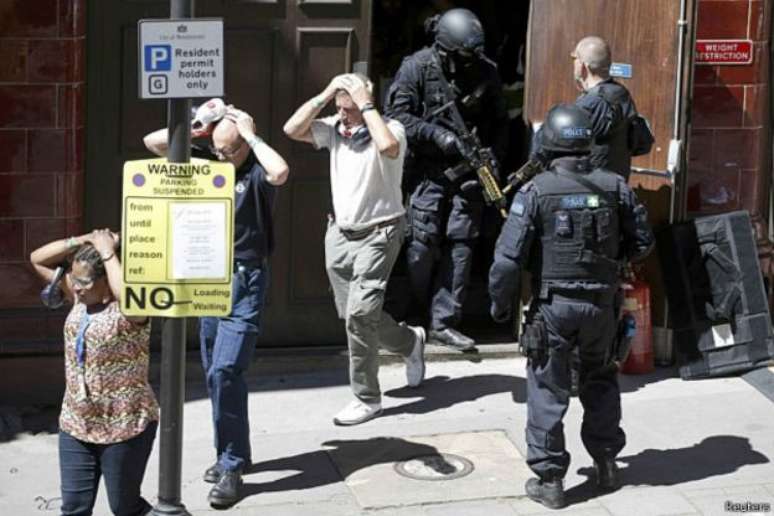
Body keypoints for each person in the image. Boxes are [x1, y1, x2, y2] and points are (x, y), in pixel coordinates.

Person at [488, 104, 654, 509]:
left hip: (554, 308)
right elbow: (644, 242)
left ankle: (550, 482)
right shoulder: (615, 186)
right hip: (601, 305)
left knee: (548, 388)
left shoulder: (535, 191)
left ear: (548, 143)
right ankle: (607, 464)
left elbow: (507, 261)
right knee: (600, 381)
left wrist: (498, 306)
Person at [143, 103, 289, 507]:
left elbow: (280, 172)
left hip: (246, 279)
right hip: (208, 274)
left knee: (226, 369)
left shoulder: (257, 170)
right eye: (218, 149)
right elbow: (152, 143)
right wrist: (197, 129)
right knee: (214, 373)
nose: (223, 157)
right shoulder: (209, 157)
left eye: (231, 150)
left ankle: (231, 464)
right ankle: (233, 451)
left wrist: (252, 134)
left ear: (246, 142)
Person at [284, 72, 426, 426]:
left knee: (361, 317)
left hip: (379, 234)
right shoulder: (334, 129)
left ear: (366, 102)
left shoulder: (392, 128)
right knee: (357, 315)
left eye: (349, 108)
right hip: (340, 234)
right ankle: (410, 342)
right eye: (339, 106)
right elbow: (292, 129)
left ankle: (367, 398)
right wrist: (327, 91)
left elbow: (389, 147)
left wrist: (365, 104)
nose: (342, 114)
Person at [385, 8, 509, 351]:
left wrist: (492, 157)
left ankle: (444, 322)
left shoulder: (486, 71)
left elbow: (501, 122)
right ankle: (411, 317)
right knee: (420, 246)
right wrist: (437, 136)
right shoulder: (418, 67)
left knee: (462, 246)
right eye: (461, 57)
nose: (468, 64)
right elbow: (396, 116)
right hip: (427, 170)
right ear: (445, 50)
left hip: (468, 173)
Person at [30, 229, 158, 516]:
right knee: (74, 508)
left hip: (124, 426)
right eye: (74, 280)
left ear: (105, 282)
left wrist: (108, 253)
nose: (76, 287)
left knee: (126, 508)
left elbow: (128, 298)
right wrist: (85, 240)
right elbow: (37, 259)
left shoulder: (131, 310)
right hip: (77, 424)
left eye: (85, 282)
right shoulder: (79, 300)